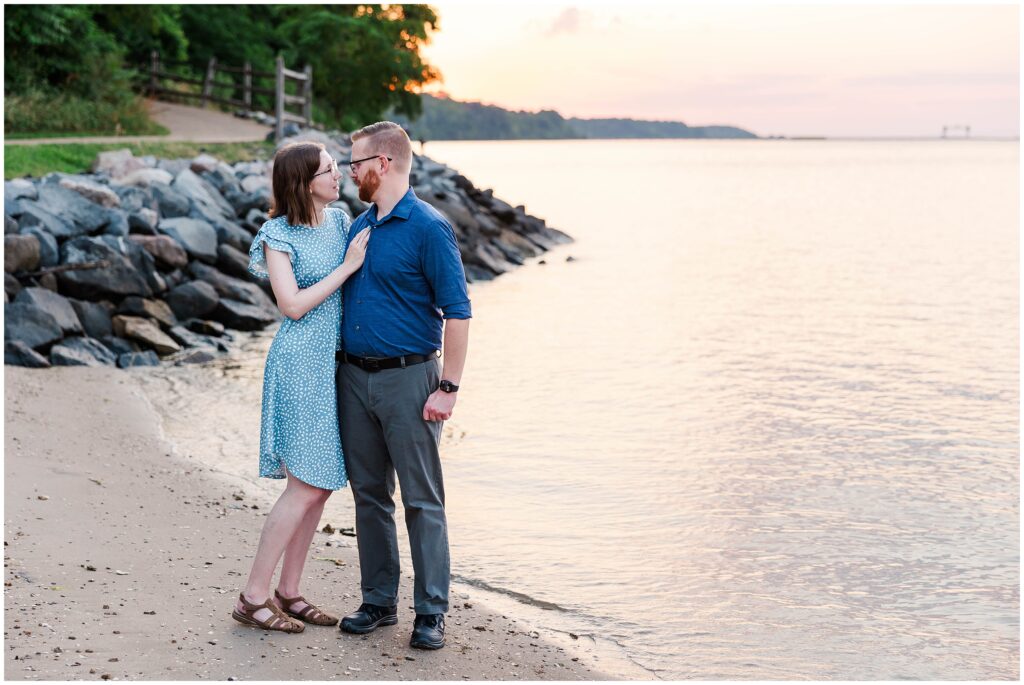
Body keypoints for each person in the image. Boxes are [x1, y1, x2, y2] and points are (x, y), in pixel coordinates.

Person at [336, 122, 471, 650]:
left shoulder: (429, 228)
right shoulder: (358, 228)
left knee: (421, 499)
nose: (350, 173)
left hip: (410, 379)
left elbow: (457, 314)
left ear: (383, 163)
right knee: (369, 495)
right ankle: (378, 601)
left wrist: (449, 387)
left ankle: (432, 611)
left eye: (355, 164)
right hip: (353, 378)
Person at [232, 141, 371, 633]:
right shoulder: (277, 235)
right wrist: (347, 268)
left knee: (321, 488)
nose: (340, 175)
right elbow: (291, 305)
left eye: (337, 167)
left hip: (335, 366)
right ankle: (253, 596)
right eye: (330, 170)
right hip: (299, 364)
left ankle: (289, 591)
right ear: (303, 181)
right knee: (303, 486)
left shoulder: (339, 221)